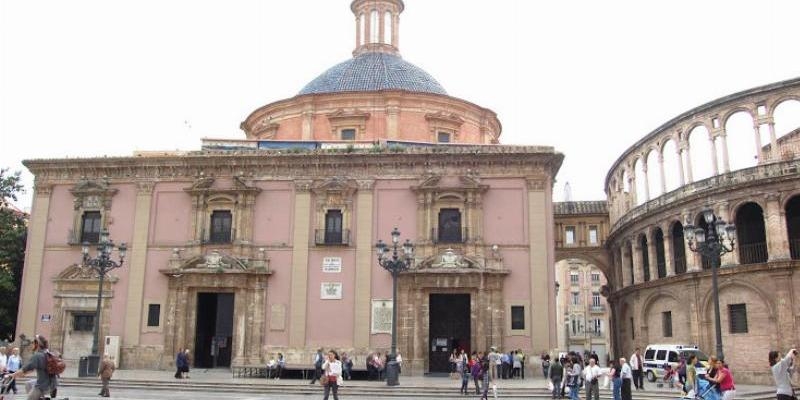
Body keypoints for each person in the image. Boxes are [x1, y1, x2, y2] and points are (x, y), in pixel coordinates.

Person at [11, 334, 55, 400]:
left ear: (37, 344)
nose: (32, 344)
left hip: (43, 385)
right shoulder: (47, 353)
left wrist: (12, 375)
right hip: (52, 383)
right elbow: (31, 369)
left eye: (33, 342)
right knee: (28, 384)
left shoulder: (38, 355)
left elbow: (25, 369)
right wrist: (21, 374)